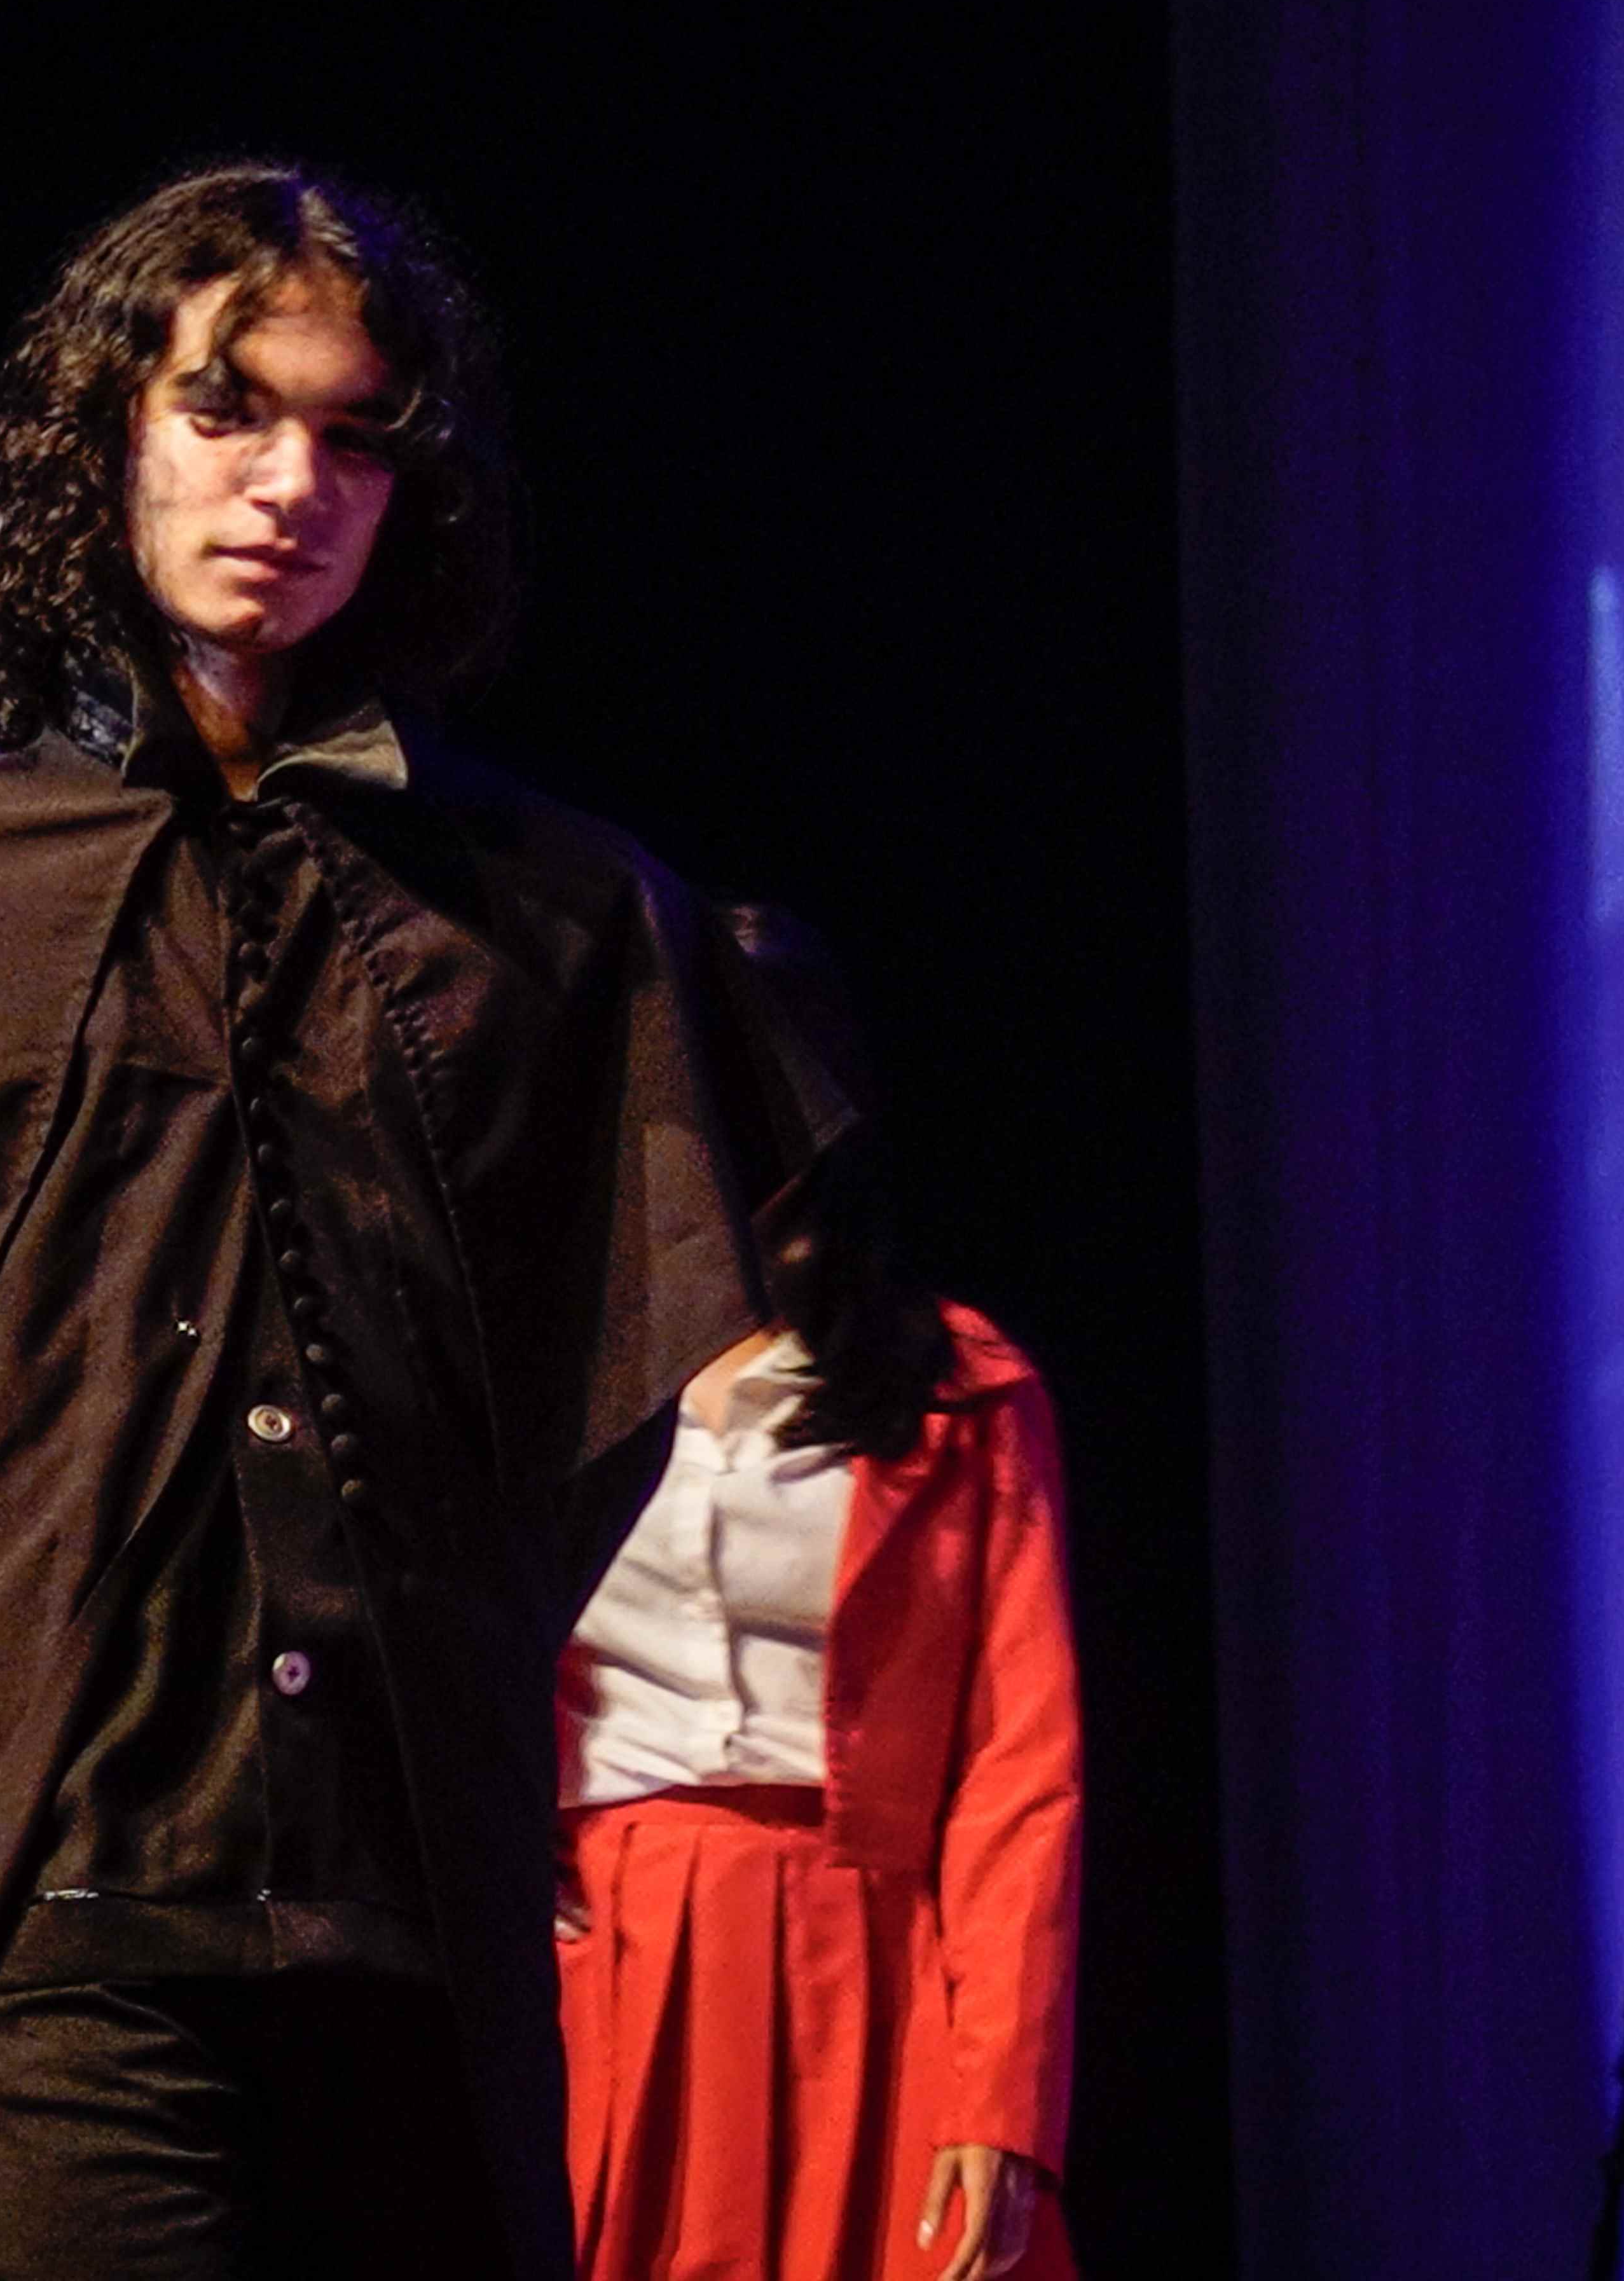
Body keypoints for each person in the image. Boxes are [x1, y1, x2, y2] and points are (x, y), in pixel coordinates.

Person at [0, 163, 764, 2281]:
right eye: (226, 408)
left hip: (411, 1900)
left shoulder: (550, 921)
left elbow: (605, 1390)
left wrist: (446, 1621)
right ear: (109, 431)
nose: (289, 484)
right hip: (81, 1904)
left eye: (353, 436)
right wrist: (19, 1627)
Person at [556, 906, 1079, 2281]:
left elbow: (1020, 1768)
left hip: (874, 1972)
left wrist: (1002, 2093)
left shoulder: (960, 1389)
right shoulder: (546, 1371)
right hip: (612, 1963)